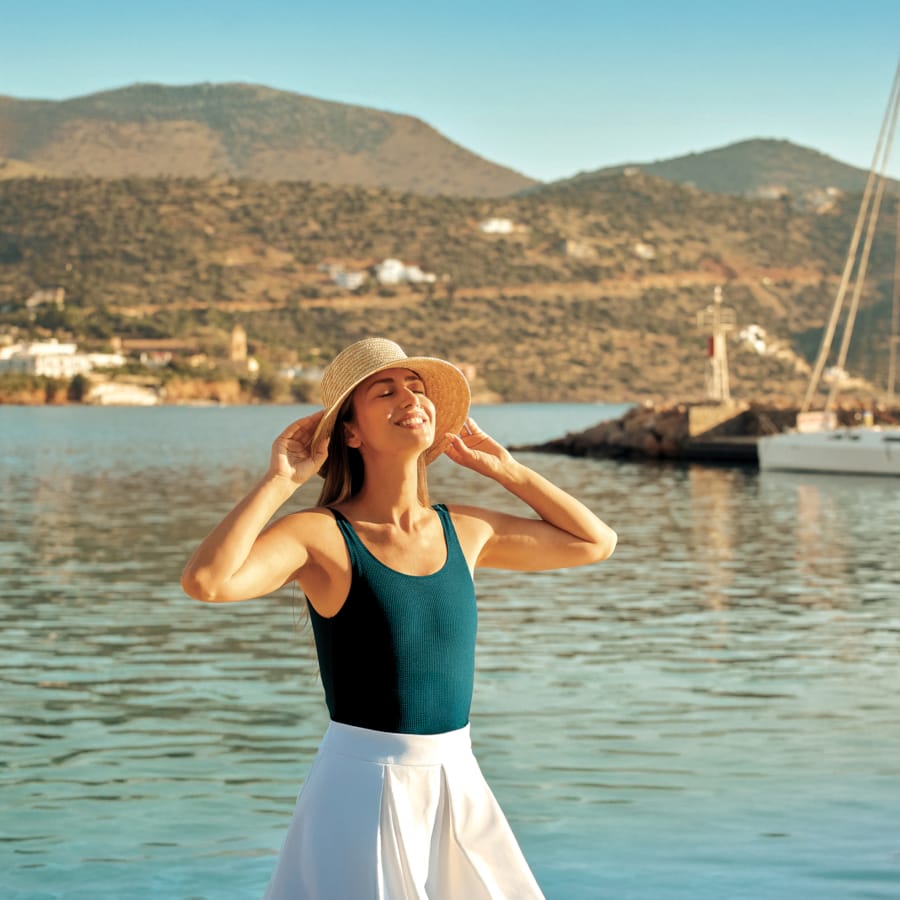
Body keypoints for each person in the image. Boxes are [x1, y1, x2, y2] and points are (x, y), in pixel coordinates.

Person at [181, 337, 617, 899]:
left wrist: (506, 469)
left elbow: (595, 542)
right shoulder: (320, 536)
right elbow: (208, 582)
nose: (410, 397)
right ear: (351, 433)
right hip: (361, 790)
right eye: (385, 390)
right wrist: (281, 482)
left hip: (457, 781)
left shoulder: (464, 530)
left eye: (416, 387)